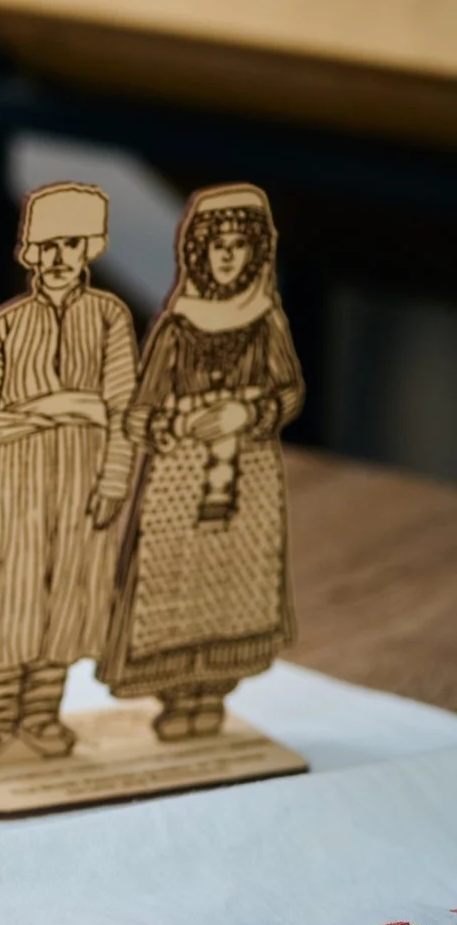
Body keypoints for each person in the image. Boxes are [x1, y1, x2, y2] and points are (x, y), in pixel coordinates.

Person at [0, 183, 138, 770]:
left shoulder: (109, 319)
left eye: (69, 245)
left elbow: (122, 406)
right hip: (10, 484)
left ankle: (42, 713)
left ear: (89, 250)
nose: (56, 259)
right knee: (2, 602)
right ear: (28, 252)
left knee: (66, 601)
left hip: (80, 487)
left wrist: (112, 480)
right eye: (45, 246)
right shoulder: (7, 326)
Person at [98, 184, 303, 742]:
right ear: (199, 251)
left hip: (247, 474)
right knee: (171, 583)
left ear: (256, 251)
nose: (229, 255)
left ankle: (212, 693)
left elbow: (288, 393)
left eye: (240, 244)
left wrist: (247, 411)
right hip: (179, 482)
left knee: (234, 585)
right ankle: (176, 693)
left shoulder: (265, 319)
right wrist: (178, 423)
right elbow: (139, 412)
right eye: (219, 245)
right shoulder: (179, 322)